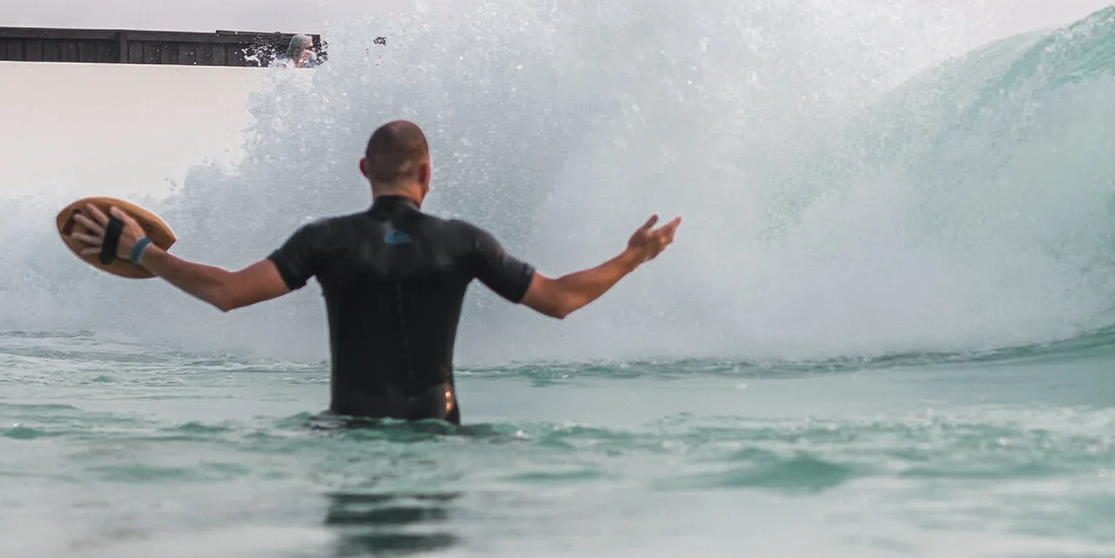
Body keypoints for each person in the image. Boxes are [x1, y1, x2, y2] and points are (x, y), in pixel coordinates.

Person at [68, 120, 679, 423]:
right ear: (427, 174)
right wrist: (634, 256)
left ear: (364, 169)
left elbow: (226, 293)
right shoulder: (463, 242)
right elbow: (561, 299)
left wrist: (142, 252)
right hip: (435, 435)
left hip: (349, 433)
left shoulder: (324, 240)